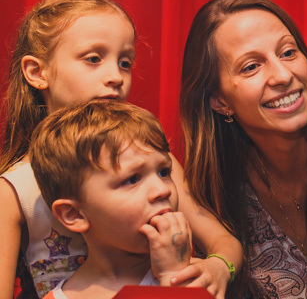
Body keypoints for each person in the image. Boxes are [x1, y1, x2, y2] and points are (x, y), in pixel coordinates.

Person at [0, 0, 240, 299]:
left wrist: (219, 267)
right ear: (37, 72)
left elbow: (224, 242)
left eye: (125, 62)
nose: (115, 76)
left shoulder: (156, 162)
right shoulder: (15, 190)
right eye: (93, 59)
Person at [179, 0, 307, 298]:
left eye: (288, 52)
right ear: (220, 101)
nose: (284, 75)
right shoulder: (213, 199)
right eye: (251, 67)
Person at [29, 99, 192, 298]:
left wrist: (175, 276)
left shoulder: (194, 275)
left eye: (164, 172)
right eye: (132, 179)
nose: (162, 190)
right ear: (75, 214)